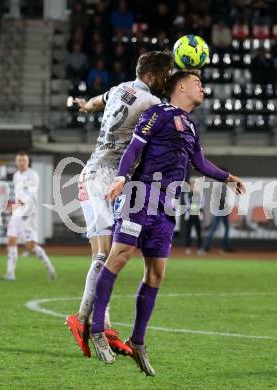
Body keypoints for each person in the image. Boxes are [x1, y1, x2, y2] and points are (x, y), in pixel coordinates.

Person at [89, 71, 244, 375]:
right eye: (197, 82)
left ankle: (137, 341)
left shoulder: (191, 126)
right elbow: (134, 147)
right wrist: (122, 177)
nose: (202, 87)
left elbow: (199, 163)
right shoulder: (157, 113)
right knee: (118, 257)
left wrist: (226, 177)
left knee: (156, 274)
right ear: (181, 86)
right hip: (140, 195)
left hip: (167, 206)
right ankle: (96, 329)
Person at [65, 51, 173, 359]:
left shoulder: (120, 88)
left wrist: (84, 105)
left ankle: (105, 323)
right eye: (165, 75)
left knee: (106, 254)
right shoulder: (150, 103)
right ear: (152, 77)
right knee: (105, 254)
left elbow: (97, 100)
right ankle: (81, 316)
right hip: (104, 178)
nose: (166, 81)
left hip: (98, 175)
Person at [2, 152, 56, 281]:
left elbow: (29, 196)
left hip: (29, 212)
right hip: (18, 212)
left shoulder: (32, 175)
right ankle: (10, 273)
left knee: (30, 245)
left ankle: (50, 267)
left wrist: (15, 205)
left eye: (23, 160)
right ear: (16, 162)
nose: (21, 163)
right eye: (19, 160)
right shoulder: (16, 175)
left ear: (27, 162)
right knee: (11, 240)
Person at [203, 179, 235, 253]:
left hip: (220, 209)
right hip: (221, 210)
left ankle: (208, 247)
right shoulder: (221, 186)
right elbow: (221, 200)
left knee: (221, 228)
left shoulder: (219, 186)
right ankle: (207, 247)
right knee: (215, 228)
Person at [184, 179, 205, 255]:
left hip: (198, 215)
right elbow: (187, 205)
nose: (193, 187)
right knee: (188, 232)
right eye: (192, 185)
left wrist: (195, 207)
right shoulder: (187, 195)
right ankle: (188, 248)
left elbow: (202, 204)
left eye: (194, 185)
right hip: (189, 215)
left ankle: (199, 249)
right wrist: (194, 207)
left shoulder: (200, 195)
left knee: (199, 233)